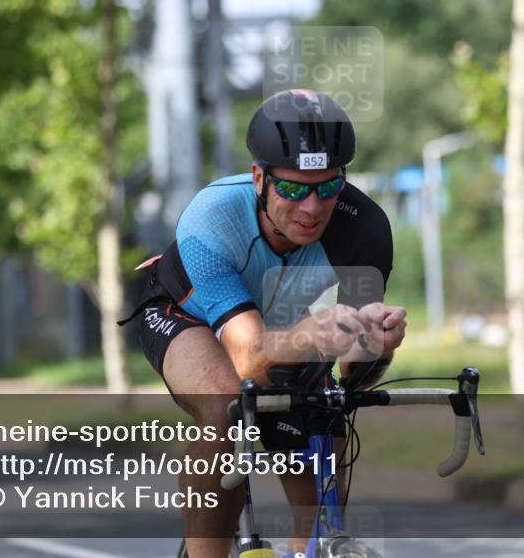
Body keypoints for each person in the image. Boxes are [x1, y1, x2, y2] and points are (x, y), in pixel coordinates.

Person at [126, 89, 407, 558]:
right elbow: (247, 356)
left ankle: (312, 546)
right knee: (225, 408)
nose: (312, 208)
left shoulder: (365, 229)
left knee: (327, 417)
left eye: (328, 187)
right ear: (259, 177)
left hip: (279, 318)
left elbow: (351, 379)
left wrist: (377, 345)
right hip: (184, 314)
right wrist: (312, 332)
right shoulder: (210, 218)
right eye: (294, 189)